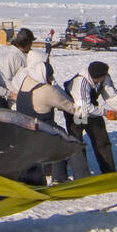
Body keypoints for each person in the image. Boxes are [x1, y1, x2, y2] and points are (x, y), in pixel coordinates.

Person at [14, 50, 86, 181]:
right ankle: (83, 178)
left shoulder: (26, 81)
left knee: (59, 142)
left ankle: (59, 177)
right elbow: (71, 108)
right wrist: (88, 109)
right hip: (42, 130)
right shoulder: (47, 90)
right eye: (51, 76)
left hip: (25, 129)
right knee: (72, 145)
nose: (52, 79)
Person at [62, 60, 117, 175]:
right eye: (104, 76)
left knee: (102, 140)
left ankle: (109, 171)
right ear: (98, 77)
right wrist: (106, 112)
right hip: (76, 112)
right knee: (77, 142)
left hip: (91, 108)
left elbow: (113, 96)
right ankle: (81, 173)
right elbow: (85, 108)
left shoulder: (102, 79)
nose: (106, 77)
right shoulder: (81, 83)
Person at [0, 27, 34, 94]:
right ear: (25, 43)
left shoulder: (24, 54)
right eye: (31, 42)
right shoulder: (12, 56)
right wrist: (16, 94)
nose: (31, 45)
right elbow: (7, 80)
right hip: (16, 96)